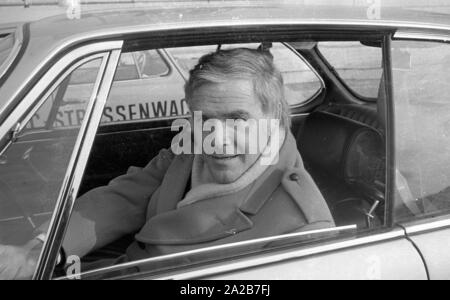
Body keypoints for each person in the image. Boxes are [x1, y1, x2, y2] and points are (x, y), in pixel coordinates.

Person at [0, 48, 334, 279]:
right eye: (204, 118)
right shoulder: (187, 148)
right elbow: (123, 198)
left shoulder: (302, 225)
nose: (215, 139)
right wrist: (42, 251)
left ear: (274, 119)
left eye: (237, 119)